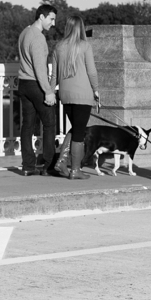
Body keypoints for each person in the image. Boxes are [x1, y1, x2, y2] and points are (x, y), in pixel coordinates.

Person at [51, 14, 100, 180]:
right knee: (79, 133)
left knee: (76, 128)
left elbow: (54, 76)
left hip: (65, 95)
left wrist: (50, 92)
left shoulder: (58, 47)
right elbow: (91, 71)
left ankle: (62, 161)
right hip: (83, 94)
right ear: (81, 28)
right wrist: (96, 89)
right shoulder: (85, 46)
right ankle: (75, 170)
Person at [17, 3, 57, 176]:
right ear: (42, 17)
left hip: (23, 84)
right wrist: (48, 91)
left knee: (27, 126)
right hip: (35, 85)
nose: (53, 23)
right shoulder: (38, 38)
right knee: (49, 124)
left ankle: (28, 166)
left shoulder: (24, 33)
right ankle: (48, 166)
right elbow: (40, 69)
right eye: (51, 19)